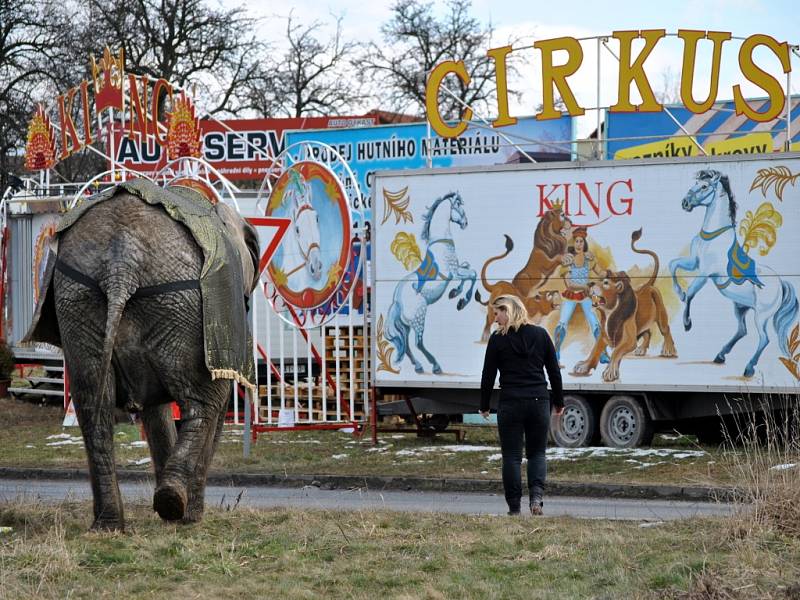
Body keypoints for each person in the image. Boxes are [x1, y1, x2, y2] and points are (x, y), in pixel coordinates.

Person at [480, 294, 564, 516]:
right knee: (537, 454)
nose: (496, 319)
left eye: (497, 313)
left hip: (510, 403)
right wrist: (559, 401)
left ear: (508, 311)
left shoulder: (498, 340)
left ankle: (514, 508)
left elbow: (488, 375)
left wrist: (484, 405)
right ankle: (536, 499)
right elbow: (553, 370)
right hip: (538, 402)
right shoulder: (541, 335)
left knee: (512, 456)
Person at [553, 226, 608, 367]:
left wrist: (605, 274)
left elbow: (600, 272)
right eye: (576, 241)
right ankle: (555, 354)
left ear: (584, 243)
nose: (578, 244)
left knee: (595, 323)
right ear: (573, 243)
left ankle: (602, 353)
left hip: (585, 297)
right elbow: (569, 284)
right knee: (562, 323)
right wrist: (584, 287)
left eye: (581, 241)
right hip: (572, 296)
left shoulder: (589, 259)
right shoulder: (568, 260)